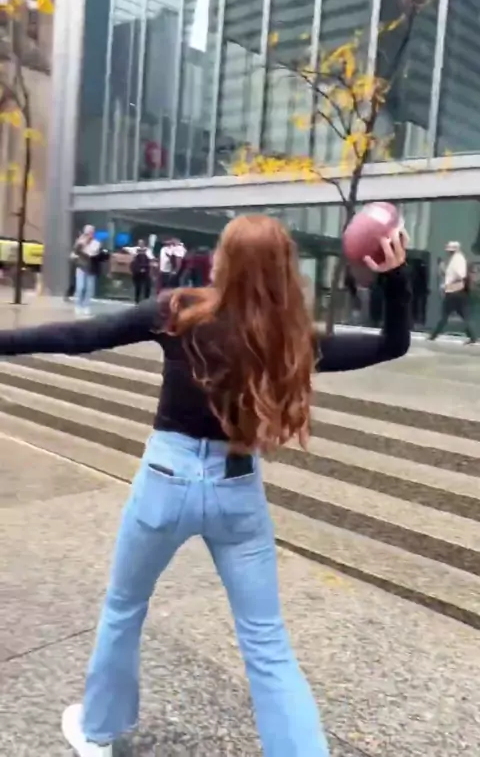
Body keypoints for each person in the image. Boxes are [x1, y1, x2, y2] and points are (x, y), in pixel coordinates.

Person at [0, 215, 410, 757]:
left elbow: (79, 337)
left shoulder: (179, 311)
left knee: (125, 606)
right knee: (265, 641)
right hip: (236, 490)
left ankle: (98, 731)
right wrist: (395, 277)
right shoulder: (290, 339)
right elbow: (392, 344)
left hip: (164, 484)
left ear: (225, 261)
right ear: (283, 269)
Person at [430, 240, 476, 343]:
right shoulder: (455, 259)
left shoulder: (458, 260)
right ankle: (472, 337)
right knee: (461, 316)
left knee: (445, 316)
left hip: (455, 291)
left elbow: (460, 275)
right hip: (456, 291)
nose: (448, 252)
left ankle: (433, 336)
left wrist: (448, 283)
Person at [73, 225, 101, 317]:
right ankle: (78, 305)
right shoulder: (80, 241)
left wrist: (84, 247)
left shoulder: (96, 243)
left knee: (89, 289)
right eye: (87, 233)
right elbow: (75, 251)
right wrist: (81, 244)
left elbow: (91, 253)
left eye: (91, 232)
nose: (89, 235)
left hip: (91, 268)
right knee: (80, 287)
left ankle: (86, 306)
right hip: (81, 267)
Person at [127, 240, 154, 304]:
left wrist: (148, 269)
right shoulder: (135, 254)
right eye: (140, 251)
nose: (141, 252)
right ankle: (137, 300)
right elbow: (133, 265)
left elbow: (150, 261)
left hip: (145, 273)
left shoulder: (147, 254)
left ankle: (146, 299)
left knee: (147, 286)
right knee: (138, 287)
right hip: (137, 273)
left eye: (143, 251)